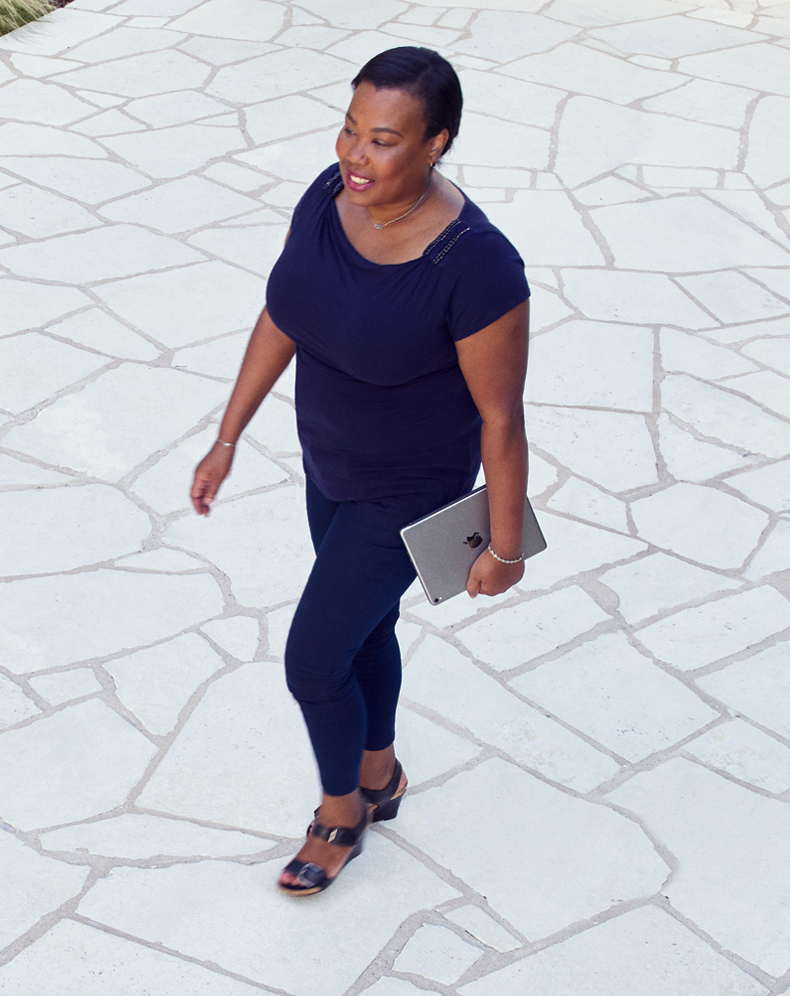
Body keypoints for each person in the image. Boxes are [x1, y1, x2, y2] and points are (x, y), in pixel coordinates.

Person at [189, 47, 532, 896]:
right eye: (348, 130)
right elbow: (285, 313)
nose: (354, 156)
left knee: (313, 661)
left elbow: (501, 416)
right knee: (363, 632)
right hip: (329, 463)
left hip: (408, 491)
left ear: (436, 144)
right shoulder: (330, 196)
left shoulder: (478, 265)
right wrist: (228, 435)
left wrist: (507, 546)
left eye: (382, 141)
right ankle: (381, 773)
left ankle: (342, 811)